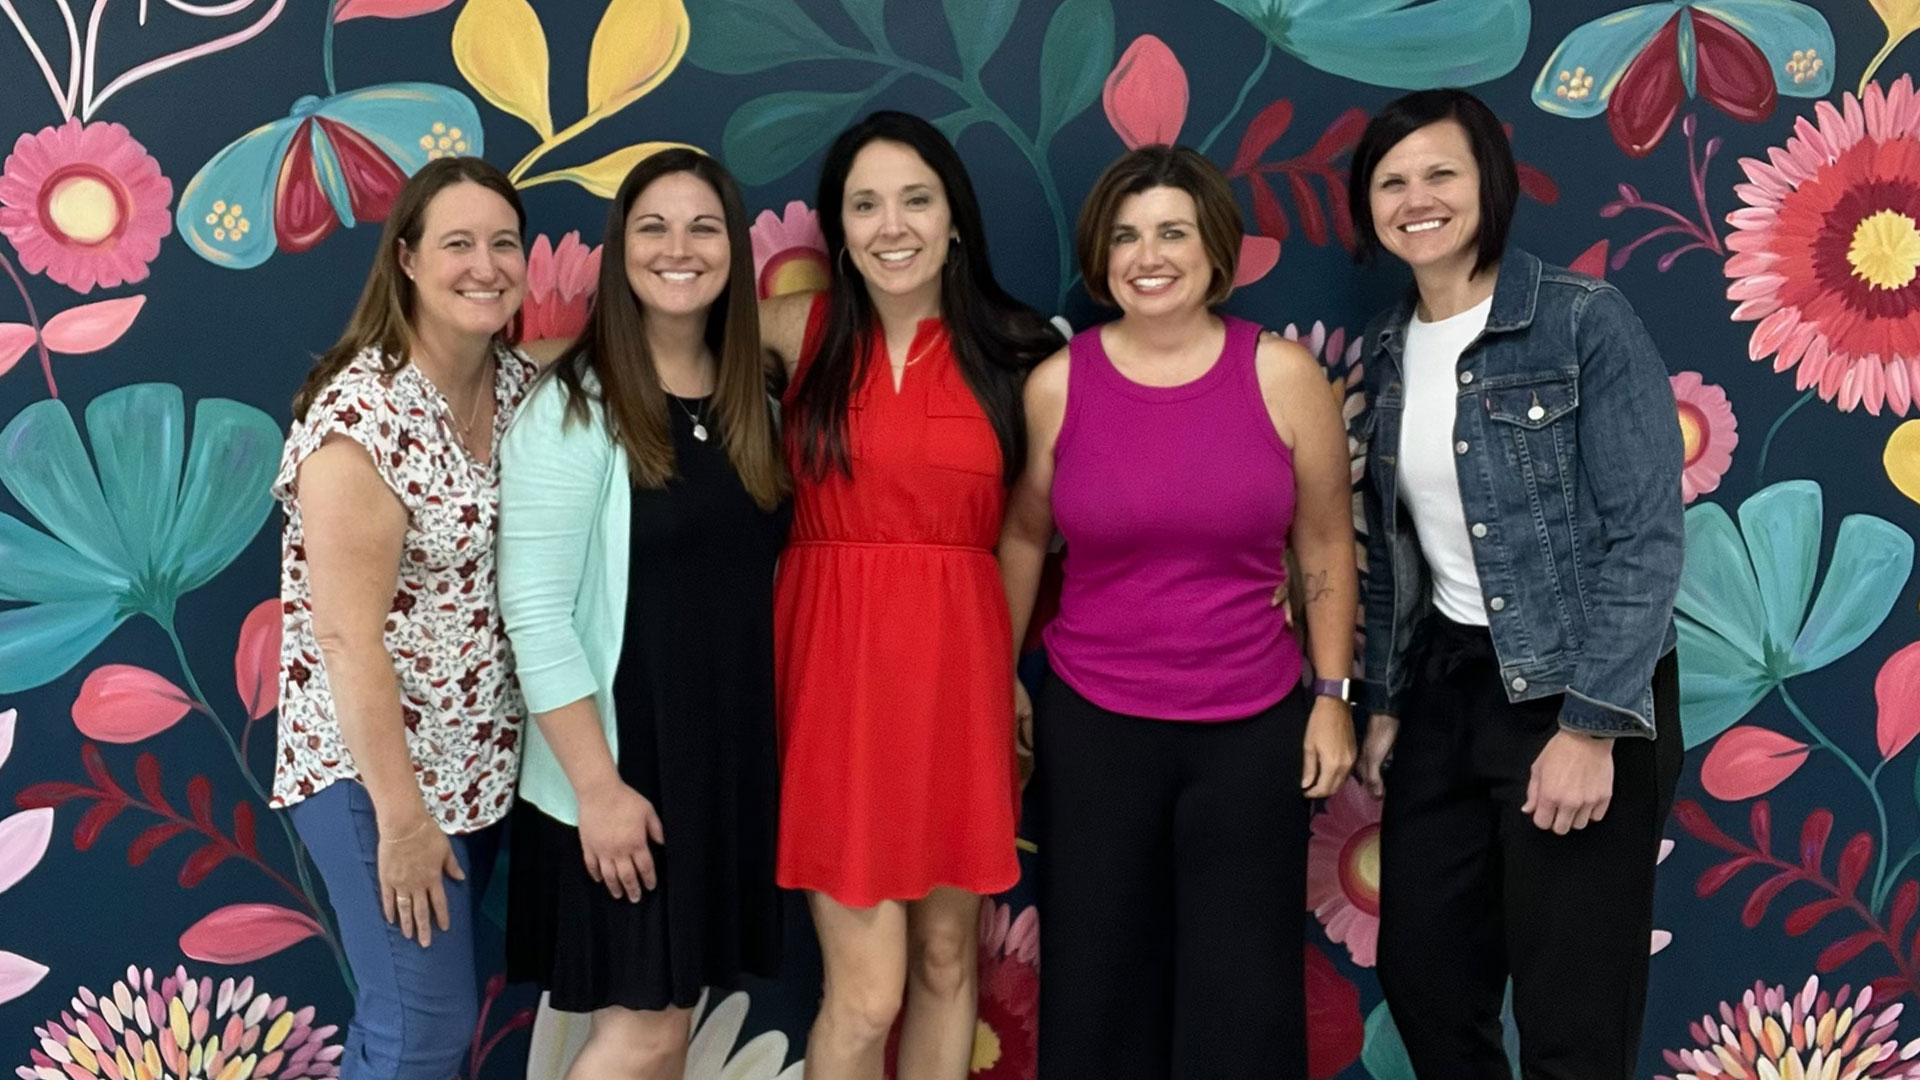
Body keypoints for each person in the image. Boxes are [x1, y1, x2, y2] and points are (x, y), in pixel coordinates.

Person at [998, 145, 1357, 1080]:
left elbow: (1323, 542)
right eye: (1125, 236)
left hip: (1252, 725)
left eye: (1171, 232)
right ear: (1100, 257)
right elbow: (1026, 539)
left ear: (1214, 250)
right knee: (1098, 985)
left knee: (1242, 996)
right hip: (1096, 724)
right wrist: (999, 678)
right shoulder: (1060, 385)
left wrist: (1332, 694)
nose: (1147, 255)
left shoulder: (1284, 378)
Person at [1348, 88, 1685, 1079]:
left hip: (1579, 684)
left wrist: (1589, 728)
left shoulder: (1582, 322)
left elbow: (1648, 535)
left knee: (1571, 1009)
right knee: (1425, 979)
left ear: (1486, 185)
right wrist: (1382, 706)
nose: (1418, 198)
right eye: (1392, 180)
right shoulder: (1388, 348)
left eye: (1440, 173)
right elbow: (1399, 551)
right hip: (1449, 687)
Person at [758, 110, 1058, 1079]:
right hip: (832, 682)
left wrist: (1004, 668)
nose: (893, 225)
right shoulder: (791, 334)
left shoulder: (1019, 352)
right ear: (836, 230)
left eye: (916, 200)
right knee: (866, 992)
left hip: (958, 678)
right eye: (866, 204)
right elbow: (638, 350)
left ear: (955, 219)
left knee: (941, 960)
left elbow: (1025, 535)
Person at [498, 149, 791, 1079]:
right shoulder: (574, 405)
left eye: (703, 226)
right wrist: (599, 791)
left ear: (733, 254)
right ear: (621, 250)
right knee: (644, 1034)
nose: (679, 247)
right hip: (625, 771)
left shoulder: (755, 402)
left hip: (720, 765)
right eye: (652, 227)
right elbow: (533, 609)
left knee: (667, 1028)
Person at [270, 156, 536, 1079]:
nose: (485, 264)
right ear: (409, 261)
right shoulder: (362, 414)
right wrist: (403, 820)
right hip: (374, 777)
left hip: (477, 767)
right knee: (421, 1034)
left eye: (505, 243)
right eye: (457, 243)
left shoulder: (514, 389)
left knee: (408, 1030)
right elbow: (345, 637)